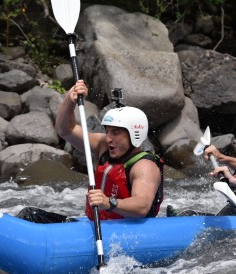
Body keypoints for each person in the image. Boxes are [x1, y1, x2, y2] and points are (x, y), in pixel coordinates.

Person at [54, 79, 164, 220]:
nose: (108, 138)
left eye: (116, 133)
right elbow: (65, 130)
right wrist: (70, 101)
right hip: (97, 223)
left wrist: (108, 202)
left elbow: (142, 206)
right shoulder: (102, 146)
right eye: (108, 131)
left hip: (128, 231)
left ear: (134, 134)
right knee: (31, 215)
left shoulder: (144, 166)